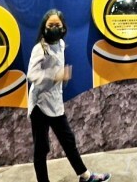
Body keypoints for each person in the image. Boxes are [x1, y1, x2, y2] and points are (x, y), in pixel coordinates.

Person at [27, 9, 111, 182]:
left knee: (68, 141)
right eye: (50, 25)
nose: (54, 28)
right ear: (44, 27)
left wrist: (60, 79)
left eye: (57, 25)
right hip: (39, 105)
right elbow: (31, 75)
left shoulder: (61, 44)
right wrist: (55, 75)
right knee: (41, 149)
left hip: (55, 103)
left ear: (63, 27)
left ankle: (85, 176)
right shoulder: (39, 49)